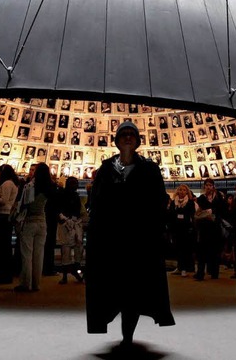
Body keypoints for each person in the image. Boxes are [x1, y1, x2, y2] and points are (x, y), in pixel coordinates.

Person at [86, 121, 174, 347]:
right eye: (123, 135)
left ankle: (128, 336)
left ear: (137, 141)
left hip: (139, 239)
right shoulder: (106, 168)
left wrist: (157, 230)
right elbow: (95, 202)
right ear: (116, 141)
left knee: (134, 290)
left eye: (131, 135)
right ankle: (117, 327)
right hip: (112, 239)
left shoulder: (149, 168)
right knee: (113, 286)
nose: (127, 138)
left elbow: (159, 201)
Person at [14, 163, 53, 292]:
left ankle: (26, 283)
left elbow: (24, 204)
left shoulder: (30, 186)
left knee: (27, 254)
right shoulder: (49, 187)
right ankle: (36, 284)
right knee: (39, 255)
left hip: (30, 221)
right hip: (42, 221)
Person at [194, 178, 226, 280]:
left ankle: (214, 273)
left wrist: (213, 212)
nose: (208, 187)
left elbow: (222, 210)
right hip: (204, 227)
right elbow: (197, 213)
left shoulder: (218, 197)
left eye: (210, 185)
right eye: (206, 185)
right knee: (202, 252)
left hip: (215, 227)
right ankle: (200, 274)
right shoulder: (201, 198)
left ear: (213, 186)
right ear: (204, 187)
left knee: (215, 251)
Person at [0, 164, 19, 284]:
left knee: (1, 245)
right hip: (5, 215)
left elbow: (4, 200)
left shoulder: (7, 183)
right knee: (4, 245)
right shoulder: (11, 183)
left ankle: (2, 274)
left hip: (2, 215)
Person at [57, 176, 85, 284]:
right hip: (69, 224)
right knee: (71, 248)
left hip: (68, 224)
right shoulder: (74, 196)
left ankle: (66, 275)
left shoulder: (64, 195)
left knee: (67, 249)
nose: (76, 185)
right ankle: (73, 271)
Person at [167, 185, 196, 277]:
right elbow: (171, 215)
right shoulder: (173, 203)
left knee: (185, 249)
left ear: (187, 192)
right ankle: (179, 267)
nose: (182, 191)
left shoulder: (190, 203)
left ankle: (185, 268)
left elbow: (192, 215)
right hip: (176, 229)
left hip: (186, 229)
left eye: (184, 190)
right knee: (178, 249)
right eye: (180, 190)